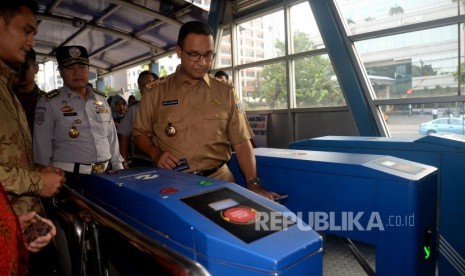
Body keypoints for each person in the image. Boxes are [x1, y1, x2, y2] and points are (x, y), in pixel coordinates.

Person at [132, 21, 281, 201]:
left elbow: (241, 142)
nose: (202, 63)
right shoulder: (156, 92)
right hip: (173, 184)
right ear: (179, 52)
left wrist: (253, 183)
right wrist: (156, 154)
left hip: (219, 181)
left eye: (208, 55)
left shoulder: (225, 92)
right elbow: (140, 133)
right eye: (194, 55)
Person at [0, 0, 60, 274]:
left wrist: (36, 171)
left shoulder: (6, 88)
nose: (31, 42)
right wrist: (38, 181)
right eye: (26, 31)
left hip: (18, 230)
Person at [33, 45, 125, 178]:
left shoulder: (101, 99)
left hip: (106, 174)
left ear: (88, 69)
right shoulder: (49, 103)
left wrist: (118, 167)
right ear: (60, 71)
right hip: (68, 177)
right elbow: (42, 149)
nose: (77, 72)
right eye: (70, 68)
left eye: (82, 67)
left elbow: (112, 138)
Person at [118, 70, 158, 168]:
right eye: (141, 84)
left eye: (148, 82)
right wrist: (124, 163)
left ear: (156, 84)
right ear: (139, 88)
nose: (145, 86)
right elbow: (124, 137)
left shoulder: (167, 106)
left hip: (167, 161)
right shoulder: (133, 109)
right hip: (142, 162)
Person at [14, 48, 44, 133]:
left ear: (36, 68)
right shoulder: (5, 99)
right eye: (16, 68)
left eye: (25, 67)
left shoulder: (48, 101)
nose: (20, 72)